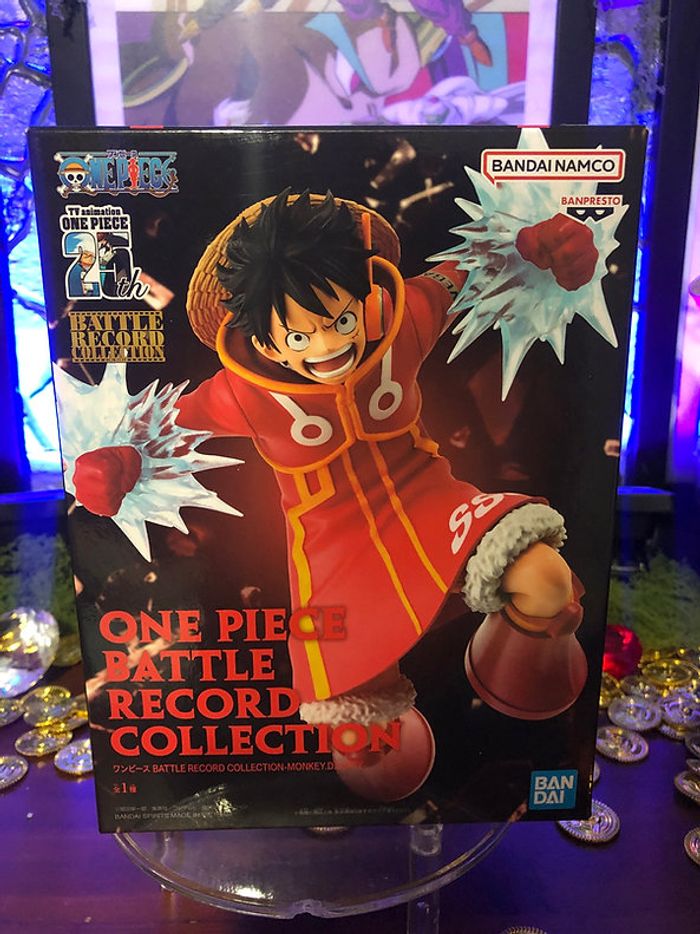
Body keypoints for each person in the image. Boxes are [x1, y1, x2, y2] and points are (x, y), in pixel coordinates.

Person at [72, 190, 597, 801]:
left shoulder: (404, 319)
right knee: (366, 744)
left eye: (341, 320)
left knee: (547, 585)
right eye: (299, 337)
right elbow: (163, 426)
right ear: (264, 343)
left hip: (435, 506)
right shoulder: (243, 392)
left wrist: (540, 244)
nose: (326, 347)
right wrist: (116, 462)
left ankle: (515, 682)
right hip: (334, 556)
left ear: (363, 298)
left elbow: (470, 269)